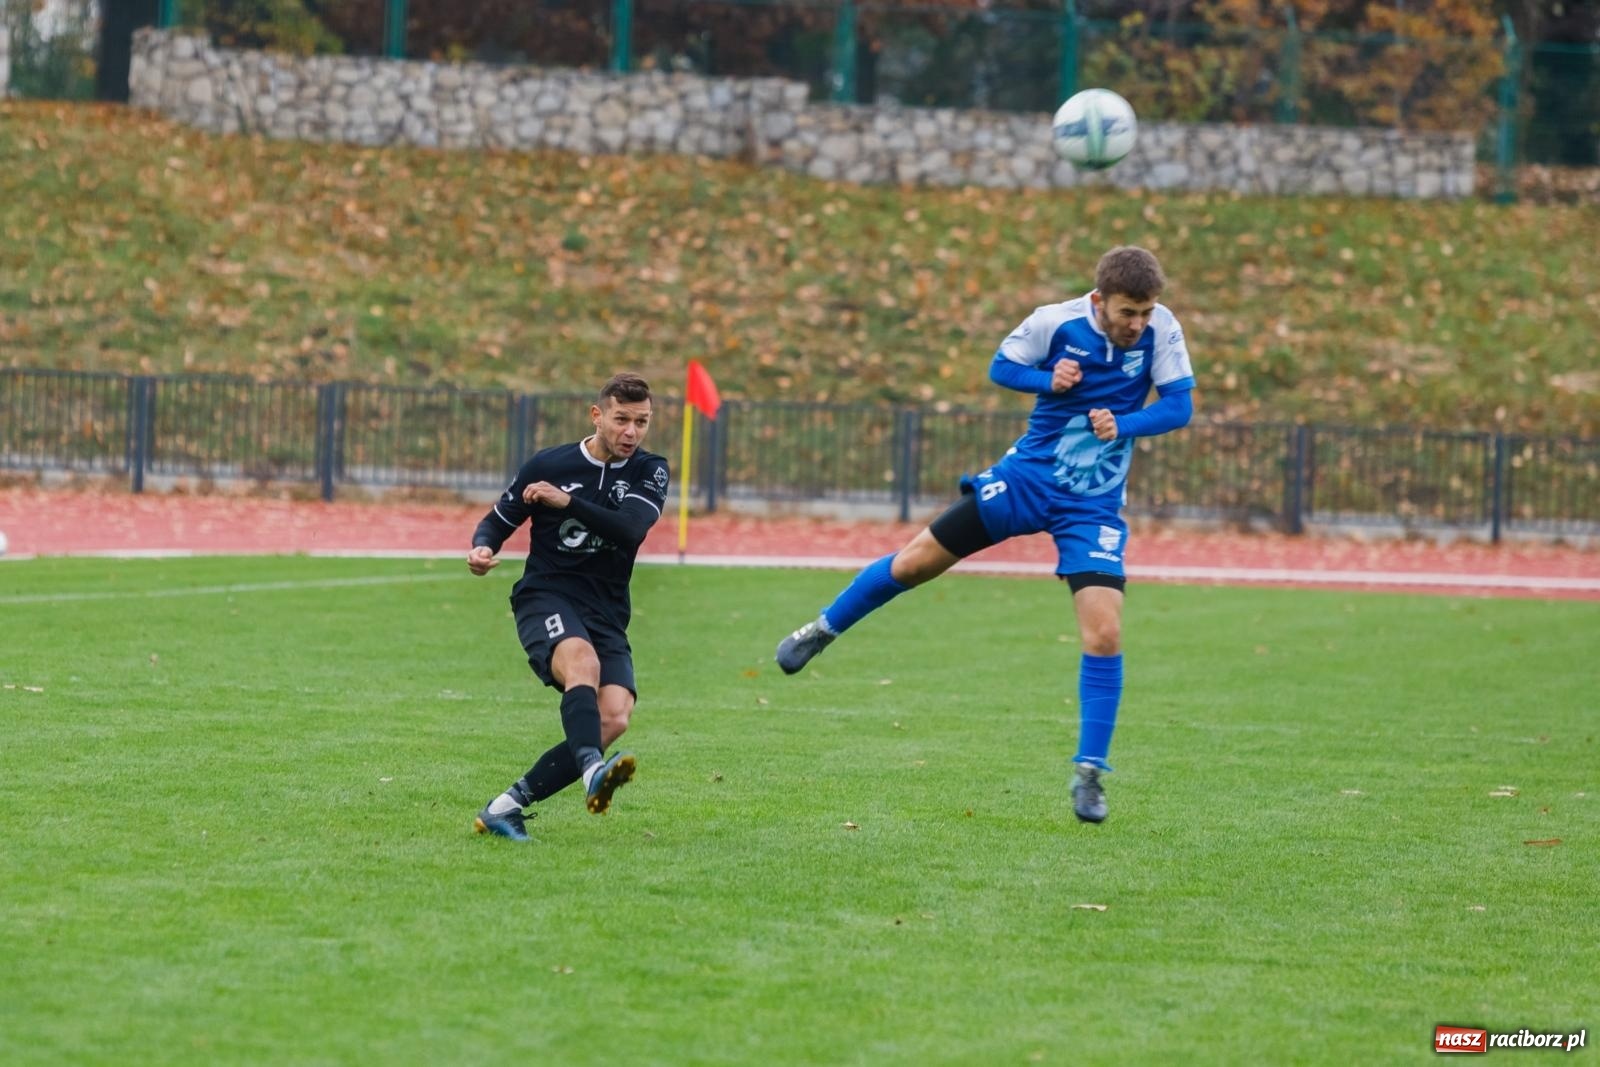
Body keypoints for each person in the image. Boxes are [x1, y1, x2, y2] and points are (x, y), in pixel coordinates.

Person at [774, 246, 1194, 824]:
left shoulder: (1162, 328)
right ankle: (822, 629)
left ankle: (1090, 772)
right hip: (1025, 480)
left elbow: (1179, 406)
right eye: (1128, 312)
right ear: (1100, 300)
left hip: (1092, 503)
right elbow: (1002, 367)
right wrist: (1048, 379)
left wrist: (1124, 423)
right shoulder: (1055, 322)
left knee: (1105, 633)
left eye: (1145, 312)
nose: (1138, 324)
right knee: (916, 562)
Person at [467, 372, 670, 841]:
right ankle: (593, 772)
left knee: (614, 716)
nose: (632, 432)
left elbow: (630, 530)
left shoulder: (649, 470)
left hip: (607, 609)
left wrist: (567, 502)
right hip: (547, 595)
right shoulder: (550, 464)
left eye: (642, 422)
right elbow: (499, 518)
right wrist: (482, 547)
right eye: (622, 419)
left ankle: (504, 807)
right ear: (597, 415)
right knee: (583, 663)